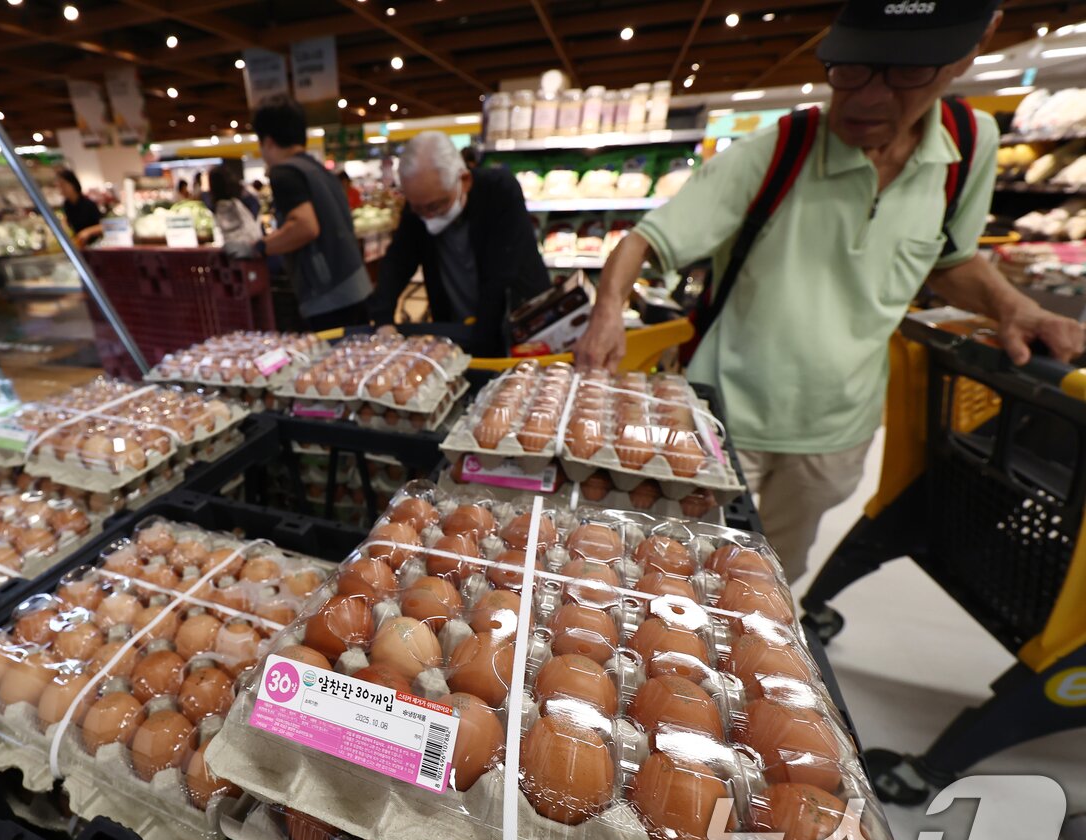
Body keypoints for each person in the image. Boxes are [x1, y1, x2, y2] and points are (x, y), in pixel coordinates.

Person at [574, 0, 1086, 587]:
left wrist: (1014, 307)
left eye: (905, 74)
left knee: (766, 582)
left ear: (967, 56)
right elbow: (645, 239)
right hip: (720, 418)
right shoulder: (778, 151)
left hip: (836, 428)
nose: (868, 97)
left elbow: (948, 258)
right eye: (851, 70)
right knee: (671, 572)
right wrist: (607, 312)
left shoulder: (969, 146)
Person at [366, 131, 550, 355]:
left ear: (464, 180)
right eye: (418, 209)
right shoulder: (421, 203)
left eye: (436, 206)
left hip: (515, 320)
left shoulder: (498, 190)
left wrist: (479, 349)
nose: (428, 217)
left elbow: (500, 278)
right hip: (457, 321)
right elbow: (399, 260)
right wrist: (383, 319)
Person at [233, 96, 371, 329]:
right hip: (356, 285)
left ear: (268, 141)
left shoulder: (285, 173)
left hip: (329, 295)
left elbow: (305, 226)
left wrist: (259, 247)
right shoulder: (320, 171)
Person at [208, 165, 262, 250]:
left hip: (233, 247)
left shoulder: (217, 204)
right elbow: (256, 213)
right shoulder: (245, 196)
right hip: (253, 245)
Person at [55, 168, 103, 246]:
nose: (61, 189)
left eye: (63, 185)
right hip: (80, 246)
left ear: (73, 184)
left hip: (95, 245)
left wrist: (87, 232)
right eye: (59, 186)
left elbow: (103, 226)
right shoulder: (66, 205)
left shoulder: (88, 204)